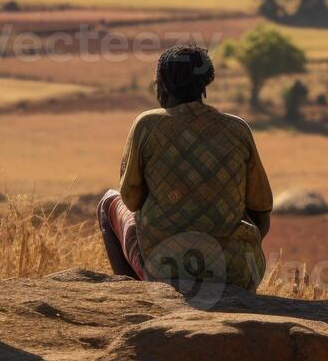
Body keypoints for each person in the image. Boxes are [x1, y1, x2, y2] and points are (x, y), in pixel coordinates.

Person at [98, 44, 274, 293]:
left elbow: (131, 199)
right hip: (234, 274)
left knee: (108, 202)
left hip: (165, 270)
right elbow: (261, 210)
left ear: (162, 85)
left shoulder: (148, 125)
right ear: (204, 85)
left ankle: (135, 296)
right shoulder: (237, 129)